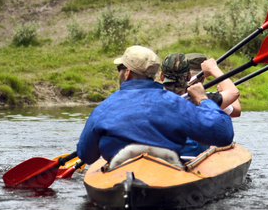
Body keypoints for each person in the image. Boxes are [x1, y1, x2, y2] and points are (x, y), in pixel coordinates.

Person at [75, 45, 234, 169]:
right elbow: (223, 134)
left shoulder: (103, 108)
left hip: (118, 173)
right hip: (167, 171)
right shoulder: (175, 103)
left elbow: (86, 156)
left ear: (127, 73)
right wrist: (203, 99)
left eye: (120, 68)